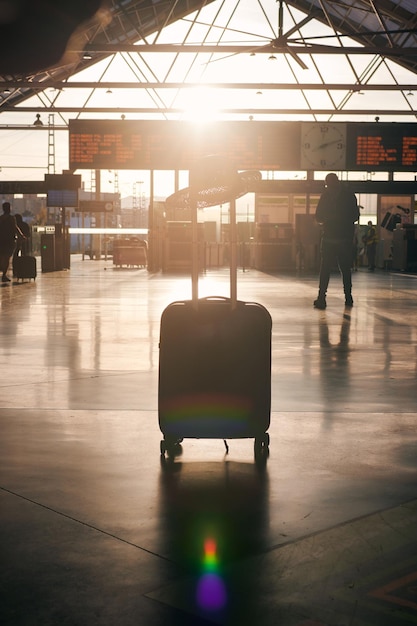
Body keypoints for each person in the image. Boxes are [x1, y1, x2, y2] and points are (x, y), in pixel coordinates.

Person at [314, 173, 360, 310]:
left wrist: (330, 219)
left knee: (325, 269)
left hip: (330, 237)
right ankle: (348, 297)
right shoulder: (349, 196)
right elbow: (355, 216)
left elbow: (318, 216)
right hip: (343, 238)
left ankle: (322, 297)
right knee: (345, 269)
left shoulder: (325, 197)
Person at [0, 202, 25, 282]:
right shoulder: (11, 218)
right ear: (9, 209)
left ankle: (3, 272)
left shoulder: (0, 218)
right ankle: (4, 274)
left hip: (1, 240)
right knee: (7, 258)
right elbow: (15, 228)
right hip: (9, 240)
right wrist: (21, 235)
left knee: (2, 257)